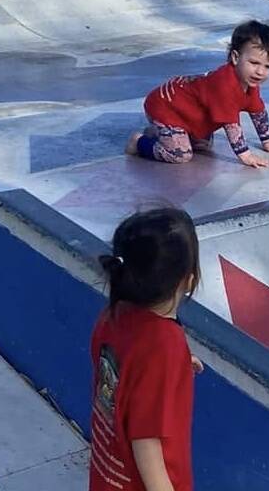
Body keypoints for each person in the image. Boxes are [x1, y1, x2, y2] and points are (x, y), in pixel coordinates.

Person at [89, 208, 202, 491]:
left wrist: (177, 365)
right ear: (187, 280)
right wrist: (169, 362)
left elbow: (124, 371)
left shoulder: (114, 315)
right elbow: (147, 444)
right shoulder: (164, 344)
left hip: (107, 475)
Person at [125, 20, 269, 168]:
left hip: (187, 113)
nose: (260, 71)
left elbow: (258, 112)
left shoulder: (249, 83)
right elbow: (231, 125)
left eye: (267, 66)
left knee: (203, 146)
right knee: (180, 155)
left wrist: (267, 141)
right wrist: (246, 155)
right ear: (235, 57)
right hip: (165, 106)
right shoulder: (224, 84)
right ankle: (139, 142)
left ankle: (160, 133)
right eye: (253, 63)